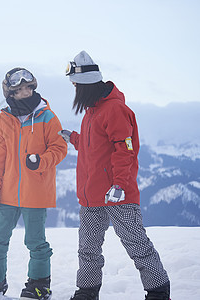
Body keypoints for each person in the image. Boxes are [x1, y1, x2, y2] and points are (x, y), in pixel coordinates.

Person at [58, 51, 170, 300]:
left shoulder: (115, 110)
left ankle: (158, 292)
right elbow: (95, 147)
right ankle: (86, 292)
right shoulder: (91, 112)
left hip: (118, 195)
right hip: (91, 196)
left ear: (86, 84)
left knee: (137, 245)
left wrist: (119, 184)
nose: (74, 89)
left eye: (75, 84)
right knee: (87, 249)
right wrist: (73, 138)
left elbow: (125, 150)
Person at [0, 68, 67, 300]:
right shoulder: (3, 120)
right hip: (7, 193)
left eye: (29, 87)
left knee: (35, 242)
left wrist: (41, 161)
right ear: (10, 93)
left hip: (35, 192)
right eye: (19, 89)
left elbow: (59, 148)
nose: (26, 92)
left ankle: (38, 284)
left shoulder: (47, 116)